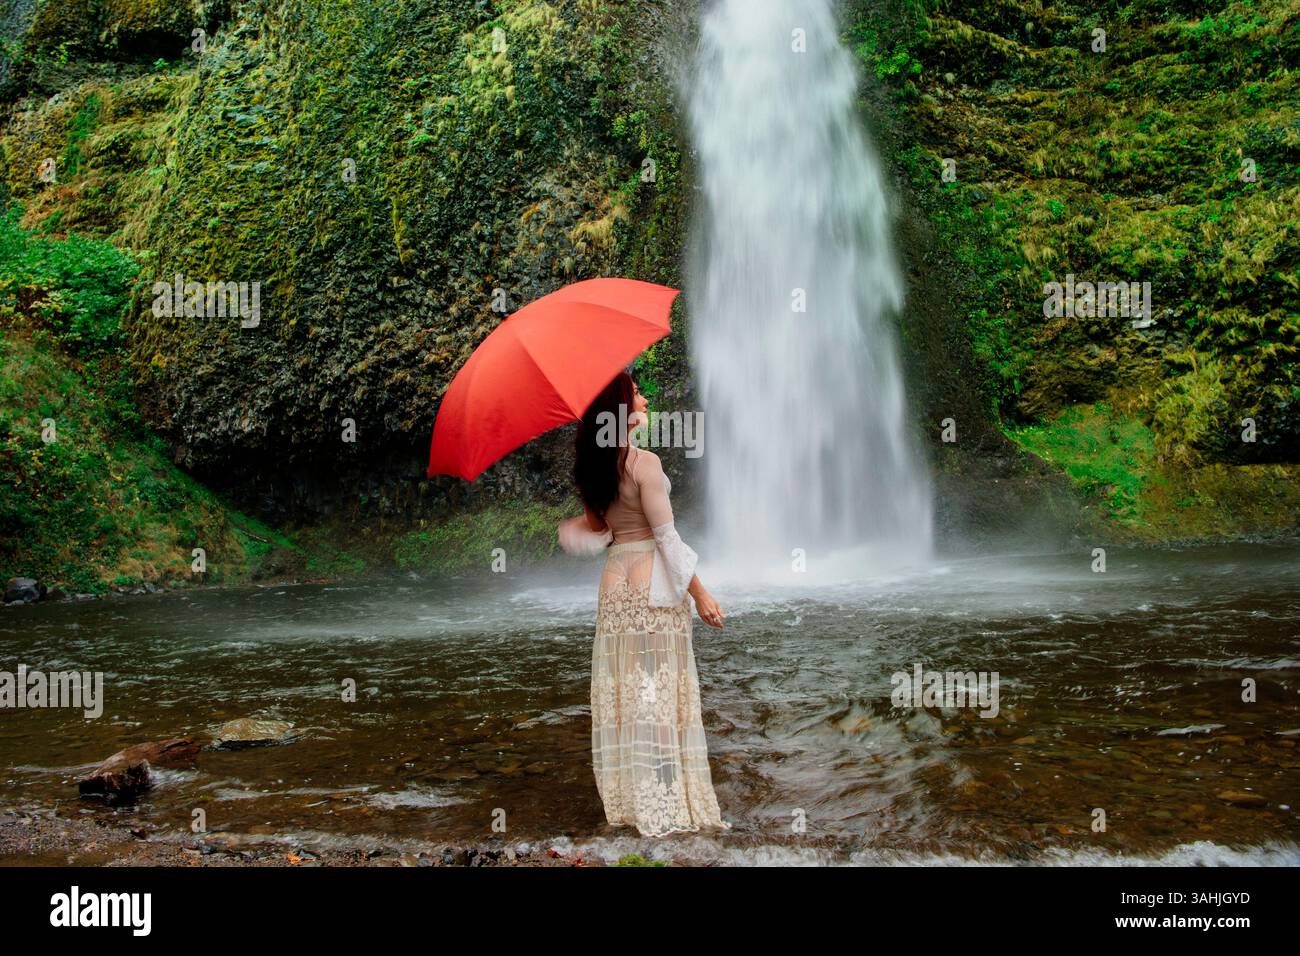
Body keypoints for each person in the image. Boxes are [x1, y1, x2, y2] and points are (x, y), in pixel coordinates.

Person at [559, 369, 731, 836]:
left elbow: (602, 532)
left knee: (626, 694)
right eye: (636, 393)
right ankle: (669, 805)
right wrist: (702, 594)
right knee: (660, 695)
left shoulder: (593, 467)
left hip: (615, 585)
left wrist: (573, 529)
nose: (644, 397)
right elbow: (667, 539)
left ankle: (631, 806)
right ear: (621, 408)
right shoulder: (645, 464)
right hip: (653, 584)